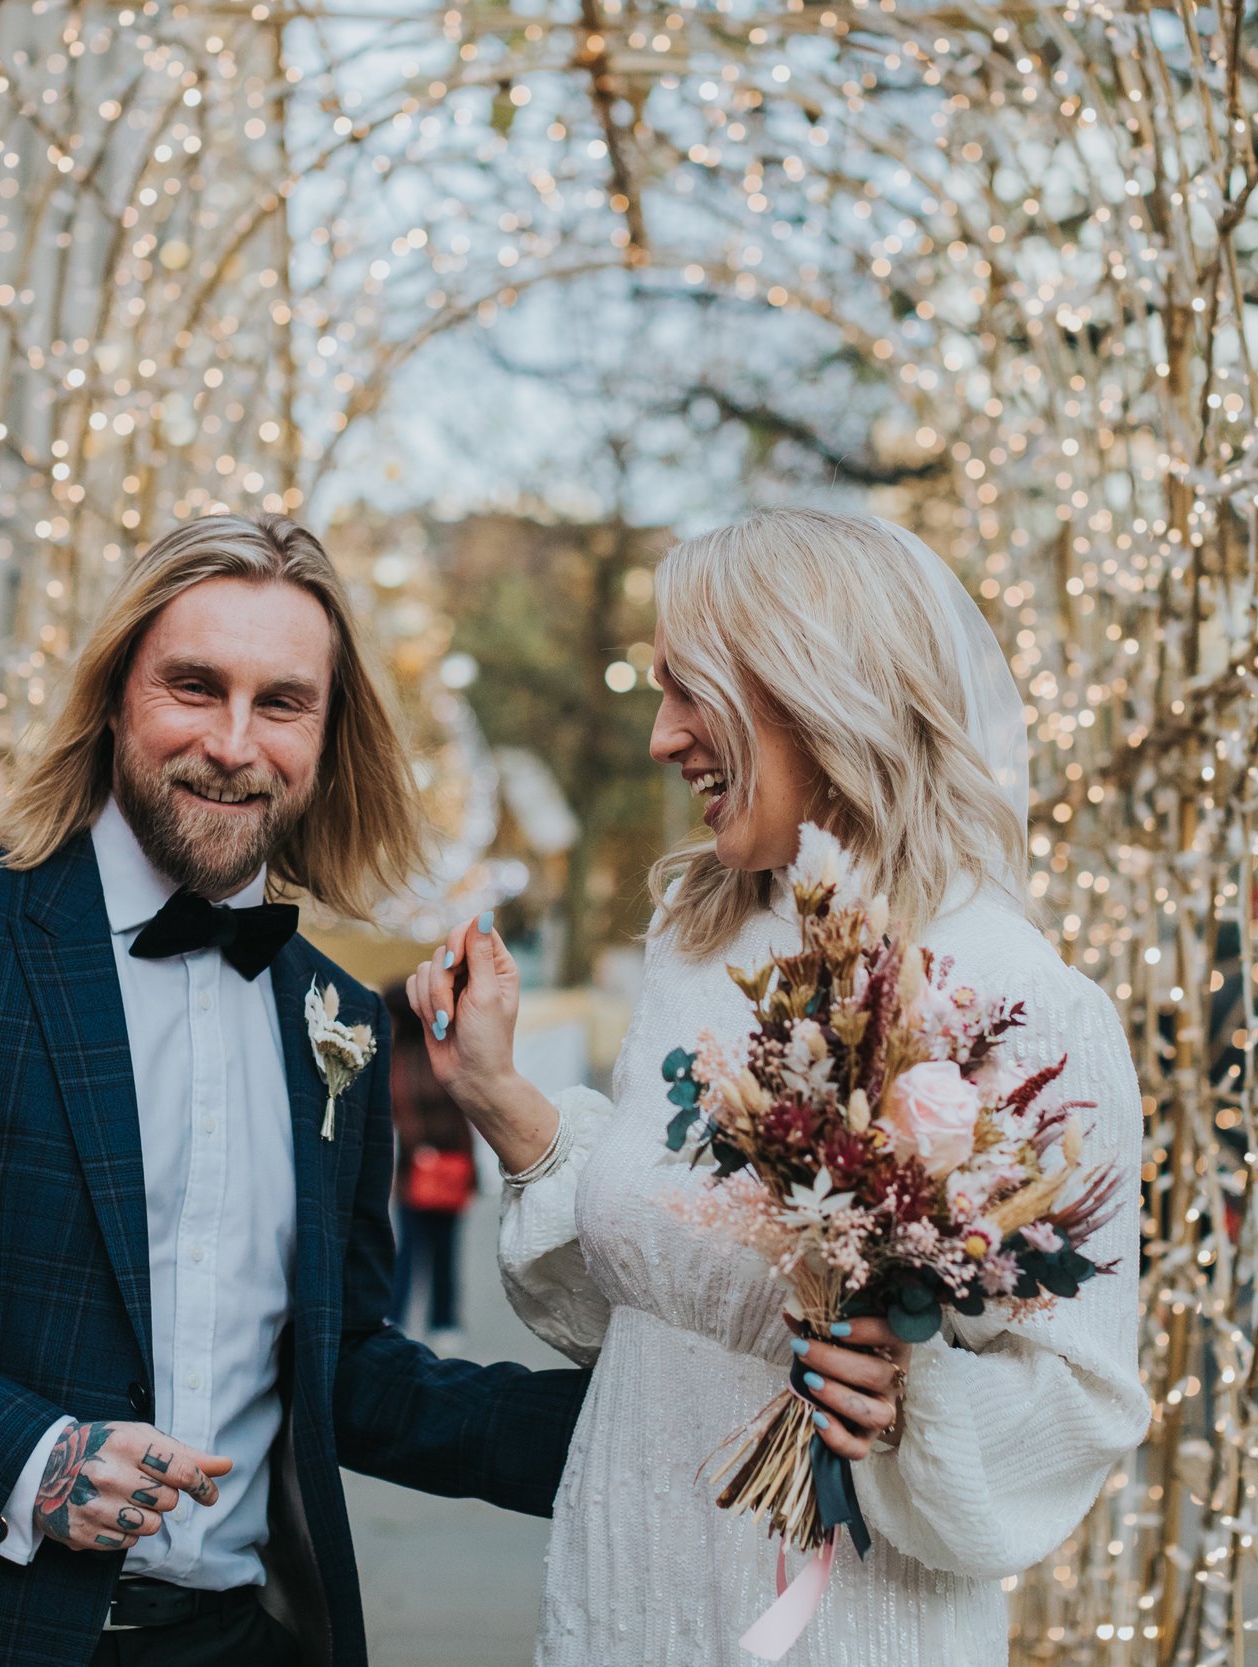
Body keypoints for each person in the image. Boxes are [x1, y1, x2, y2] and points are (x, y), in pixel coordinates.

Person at [0, 514, 589, 1667]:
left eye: (282, 702)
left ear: (328, 732)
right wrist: (24, 1457)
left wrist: (640, 1432)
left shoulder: (339, 1020)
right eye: (194, 688)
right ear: (115, 699)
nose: (235, 743)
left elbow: (340, 1365)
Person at [406, 509, 1148, 1665]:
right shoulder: (692, 944)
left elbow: (1083, 1403)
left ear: (815, 689)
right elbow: (647, 1305)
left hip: (841, 1616)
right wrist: (503, 1101)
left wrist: (908, 1399)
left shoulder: (1022, 1001)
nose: (661, 737)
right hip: (623, 1582)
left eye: (690, 690)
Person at [382, 981, 476, 1345]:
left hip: (446, 1165)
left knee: (444, 1249)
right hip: (415, 1169)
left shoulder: (429, 1052)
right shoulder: (396, 1057)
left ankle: (442, 1321)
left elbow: (460, 1111)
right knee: (412, 1247)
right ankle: (401, 1317)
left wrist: (470, 1171)